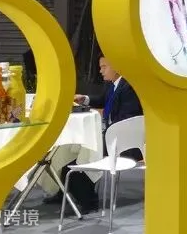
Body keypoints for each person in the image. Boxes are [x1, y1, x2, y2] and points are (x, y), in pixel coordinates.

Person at [51, 53, 143, 211]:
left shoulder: (129, 89)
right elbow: (102, 99)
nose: (100, 71)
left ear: (117, 68)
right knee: (68, 150)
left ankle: (89, 202)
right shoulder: (113, 84)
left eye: (104, 67)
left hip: (122, 143)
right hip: (108, 135)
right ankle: (63, 193)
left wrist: (103, 122)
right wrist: (85, 99)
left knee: (79, 157)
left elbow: (127, 119)